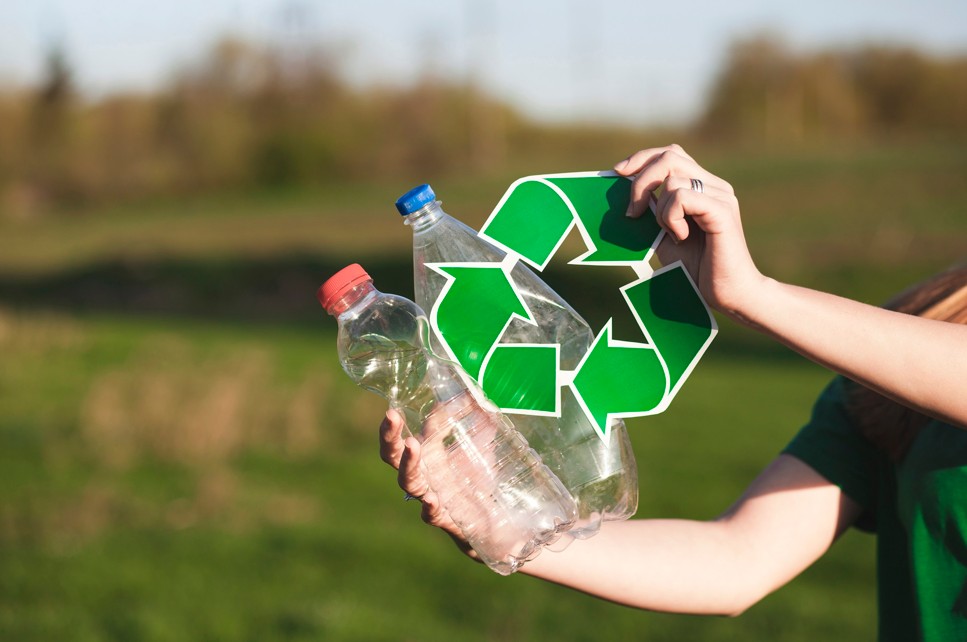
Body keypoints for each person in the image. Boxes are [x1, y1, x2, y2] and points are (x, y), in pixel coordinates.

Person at [377, 144, 967, 641]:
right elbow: (738, 559)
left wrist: (754, 295)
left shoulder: (897, 350)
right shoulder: (919, 328)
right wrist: (510, 524)